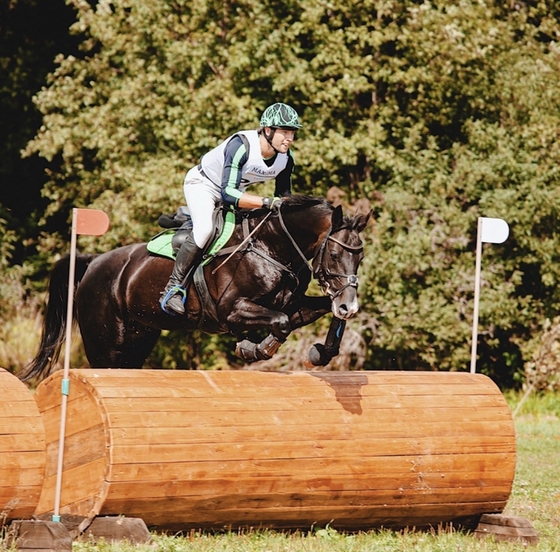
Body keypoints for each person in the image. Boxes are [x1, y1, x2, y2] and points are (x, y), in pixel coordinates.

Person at [160, 102, 302, 315]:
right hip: (204, 185)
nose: (289, 138)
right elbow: (228, 194)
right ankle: (173, 289)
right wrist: (265, 202)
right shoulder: (242, 145)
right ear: (267, 130)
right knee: (205, 229)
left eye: (292, 132)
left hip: (236, 191)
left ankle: (187, 216)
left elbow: (283, 197)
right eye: (284, 132)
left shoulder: (286, 159)